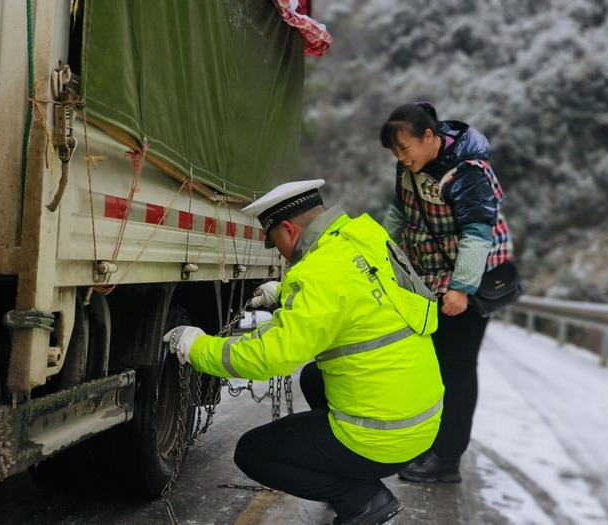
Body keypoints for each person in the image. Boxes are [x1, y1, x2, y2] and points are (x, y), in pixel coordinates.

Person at [163, 179, 444, 525]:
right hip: (423, 425)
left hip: (383, 436)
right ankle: (351, 476)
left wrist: (197, 347)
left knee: (253, 453)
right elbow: (350, 300)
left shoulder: (317, 272)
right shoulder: (364, 239)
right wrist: (284, 295)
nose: (277, 251)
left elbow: (271, 357)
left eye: (274, 242)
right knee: (314, 377)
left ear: (287, 229)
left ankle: (361, 498)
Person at [379, 102, 514, 483]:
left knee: (456, 367)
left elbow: (477, 234)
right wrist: (377, 252)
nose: (401, 158)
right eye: (394, 152)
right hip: (434, 275)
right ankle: (430, 446)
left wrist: (461, 289)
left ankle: (447, 459)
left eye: (405, 149)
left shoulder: (469, 173)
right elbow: (399, 214)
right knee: (435, 365)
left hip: (472, 277)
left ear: (429, 137)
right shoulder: (410, 168)